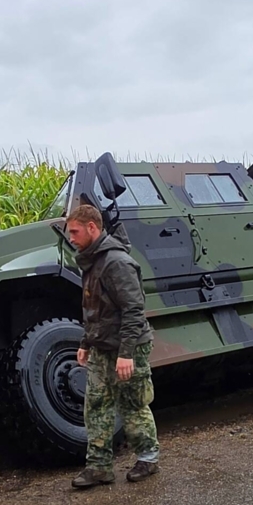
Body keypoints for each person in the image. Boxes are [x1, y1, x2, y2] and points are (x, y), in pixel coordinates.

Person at [64, 204, 161, 487]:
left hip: (127, 347)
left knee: (132, 404)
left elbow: (133, 310)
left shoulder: (116, 262)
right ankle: (99, 467)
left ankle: (148, 459)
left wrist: (126, 354)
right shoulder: (92, 260)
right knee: (95, 405)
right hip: (101, 346)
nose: (71, 237)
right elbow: (94, 308)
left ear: (92, 228)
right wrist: (86, 342)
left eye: (75, 232)